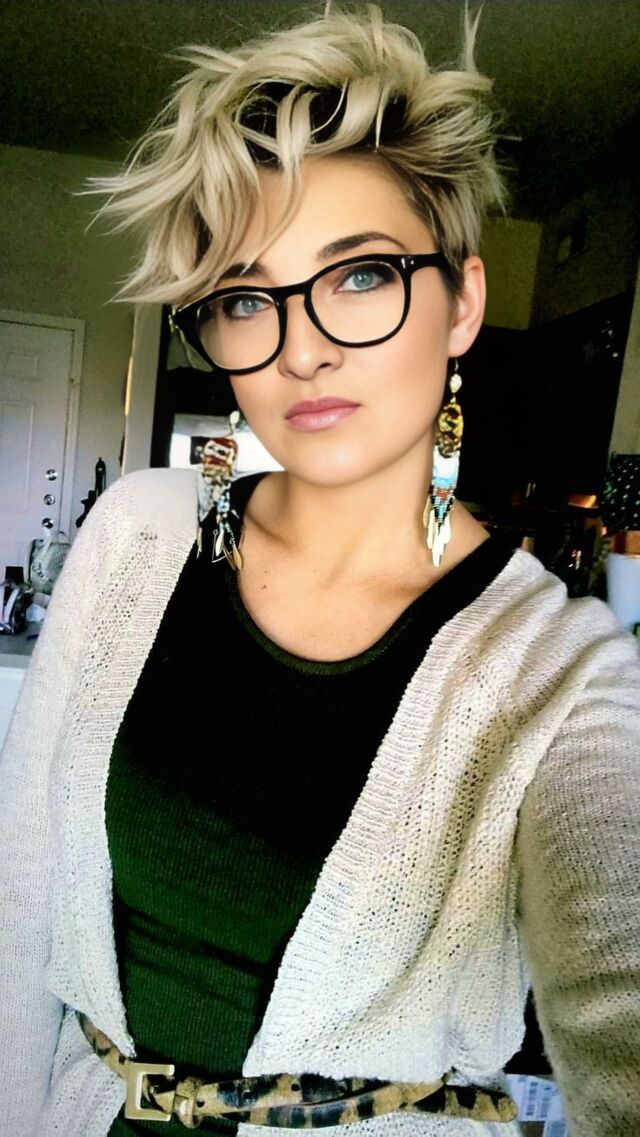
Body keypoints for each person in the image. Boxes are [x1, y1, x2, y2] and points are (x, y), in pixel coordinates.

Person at [1, 3, 639, 1136]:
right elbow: (18, 898)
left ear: (463, 303)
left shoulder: (561, 666)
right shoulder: (144, 530)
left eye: (359, 277)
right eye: (247, 298)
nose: (301, 347)